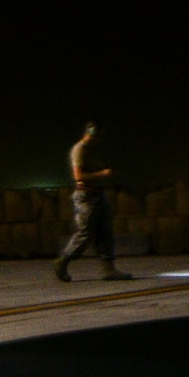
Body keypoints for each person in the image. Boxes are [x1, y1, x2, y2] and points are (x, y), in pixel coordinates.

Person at [54, 121, 132, 282]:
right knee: (86, 233)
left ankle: (108, 270)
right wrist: (102, 173)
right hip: (86, 197)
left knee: (105, 232)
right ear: (94, 133)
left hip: (98, 195)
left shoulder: (92, 150)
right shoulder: (80, 149)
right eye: (100, 135)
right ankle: (63, 261)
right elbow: (79, 177)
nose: (101, 139)